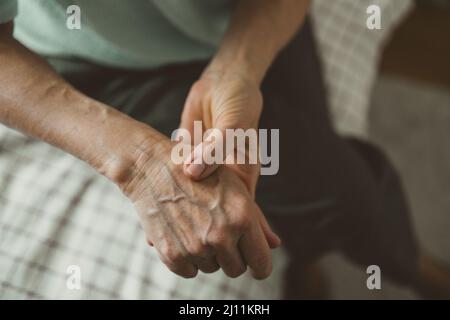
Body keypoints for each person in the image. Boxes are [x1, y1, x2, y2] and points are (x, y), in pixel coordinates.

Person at [0, 0, 449, 298]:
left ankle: (403, 264)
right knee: (337, 198)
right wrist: (138, 164)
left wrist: (236, 69)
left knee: (343, 198)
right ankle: (357, 270)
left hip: (248, 21)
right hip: (105, 67)